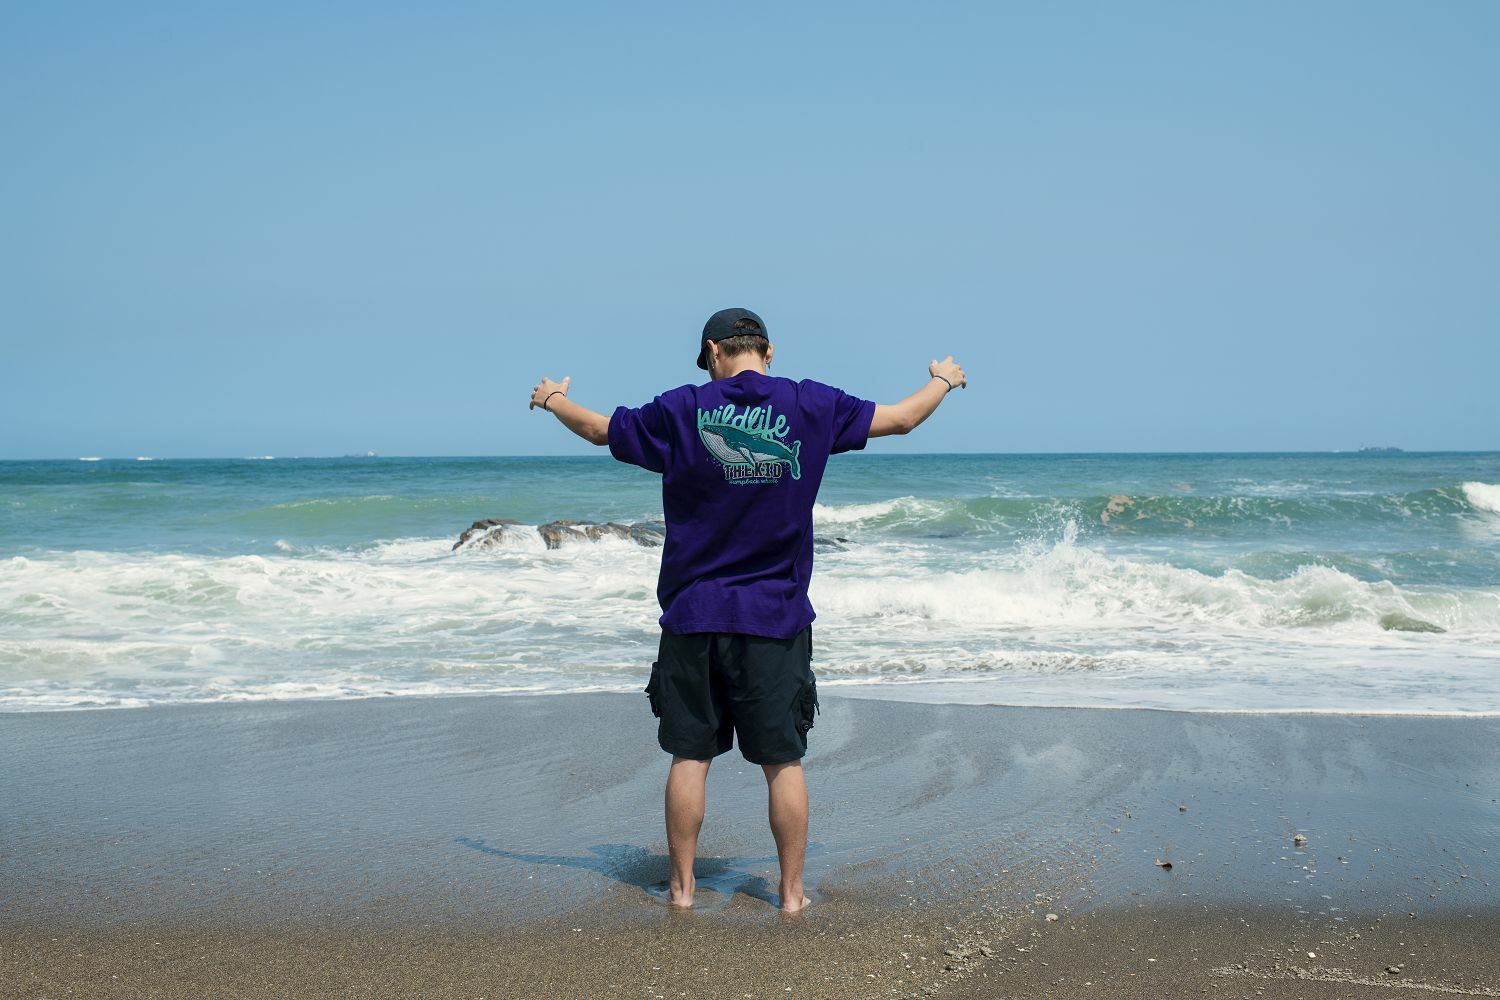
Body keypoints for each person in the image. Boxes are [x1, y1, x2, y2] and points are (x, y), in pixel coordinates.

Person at [527, 307, 966, 913]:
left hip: (694, 614)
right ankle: (791, 894)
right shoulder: (810, 404)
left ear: (713, 352)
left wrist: (552, 399)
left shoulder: (683, 408)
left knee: (690, 757)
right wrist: (942, 379)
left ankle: (682, 889)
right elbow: (904, 418)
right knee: (783, 761)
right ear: (768, 351)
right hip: (775, 616)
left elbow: (601, 431)